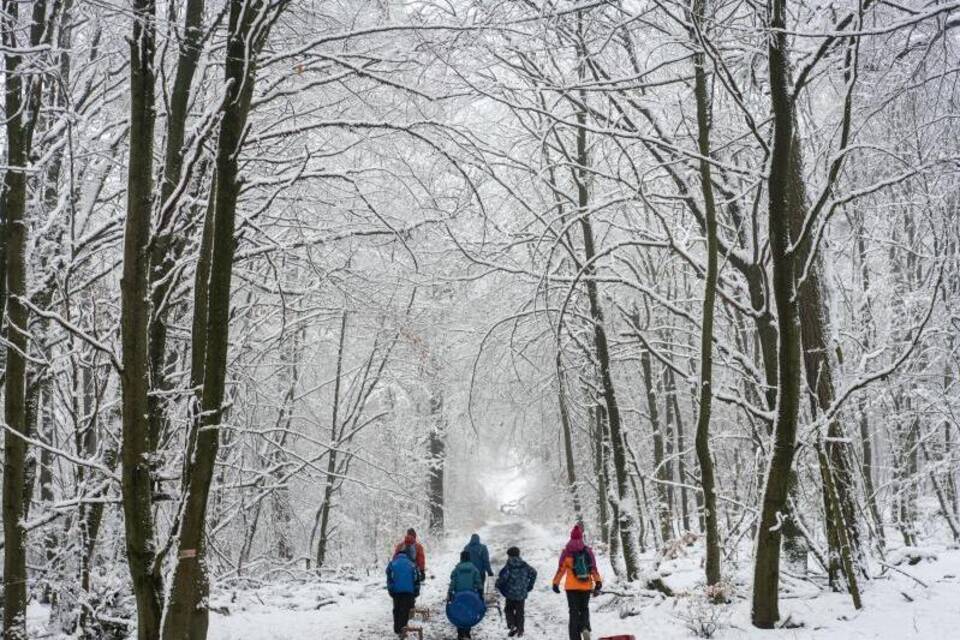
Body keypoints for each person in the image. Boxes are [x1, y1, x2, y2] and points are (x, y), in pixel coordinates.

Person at [552, 524, 602, 640]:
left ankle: (575, 637)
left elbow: (561, 569)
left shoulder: (566, 552)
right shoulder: (587, 551)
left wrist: (555, 583)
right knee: (584, 608)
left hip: (571, 588)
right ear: (581, 537)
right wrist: (598, 582)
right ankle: (585, 627)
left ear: (571, 537)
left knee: (573, 612)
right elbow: (593, 568)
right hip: (586, 586)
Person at [495, 546, 537, 637]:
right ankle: (520, 630)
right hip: (521, 593)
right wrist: (530, 585)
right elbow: (534, 573)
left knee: (508, 609)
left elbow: (503, 578)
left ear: (509, 556)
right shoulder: (524, 565)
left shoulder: (509, 566)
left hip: (510, 593)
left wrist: (497, 584)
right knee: (520, 612)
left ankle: (512, 624)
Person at [448, 550, 484, 639]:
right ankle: (467, 633)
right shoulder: (474, 569)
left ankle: (460, 633)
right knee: (469, 612)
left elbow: (453, 581)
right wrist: (480, 592)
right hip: (471, 595)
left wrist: (450, 591)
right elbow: (479, 582)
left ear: (461, 558)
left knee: (459, 611)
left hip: (458, 595)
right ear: (469, 558)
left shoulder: (457, 569)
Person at [387, 550, 421, 637]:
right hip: (409, 592)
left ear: (397, 555)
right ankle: (402, 629)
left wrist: (390, 589)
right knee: (405, 610)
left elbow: (389, 577)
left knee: (397, 609)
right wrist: (416, 590)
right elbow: (416, 578)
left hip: (396, 592)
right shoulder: (412, 564)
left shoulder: (392, 564)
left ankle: (397, 629)